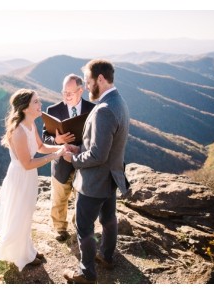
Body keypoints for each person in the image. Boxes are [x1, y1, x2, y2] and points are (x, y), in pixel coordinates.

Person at [62, 59, 130, 284]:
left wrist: (73, 157)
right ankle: (107, 256)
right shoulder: (119, 102)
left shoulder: (104, 110)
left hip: (94, 181)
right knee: (109, 219)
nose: (88, 86)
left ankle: (87, 273)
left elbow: (98, 155)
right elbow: (101, 146)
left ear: (101, 79)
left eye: (90, 82)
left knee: (84, 227)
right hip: (111, 177)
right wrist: (79, 147)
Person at [0, 89, 66, 270]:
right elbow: (27, 163)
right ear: (25, 108)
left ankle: (27, 249)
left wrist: (59, 147)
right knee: (20, 214)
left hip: (29, 177)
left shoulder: (31, 125)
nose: (40, 105)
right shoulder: (19, 131)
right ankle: (20, 255)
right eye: (36, 102)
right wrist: (56, 156)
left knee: (27, 213)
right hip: (20, 177)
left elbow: (40, 146)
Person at [42, 74, 95, 242]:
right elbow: (45, 138)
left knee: (82, 200)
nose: (66, 96)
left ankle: (78, 226)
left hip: (84, 162)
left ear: (81, 90)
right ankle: (59, 228)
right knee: (58, 199)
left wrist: (80, 149)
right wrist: (57, 141)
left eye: (70, 93)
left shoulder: (93, 110)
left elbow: (97, 138)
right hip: (61, 163)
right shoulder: (53, 110)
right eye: (64, 92)